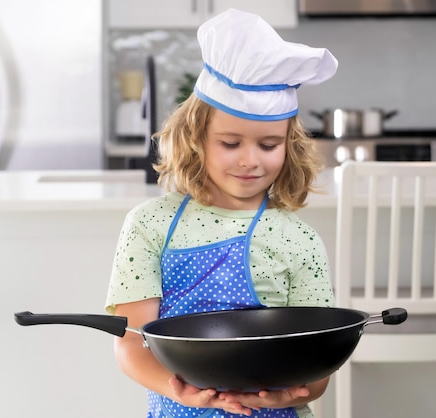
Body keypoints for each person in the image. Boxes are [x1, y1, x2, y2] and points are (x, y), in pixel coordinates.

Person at [105, 8, 338, 418]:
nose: (250, 160)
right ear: (195, 138)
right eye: (230, 143)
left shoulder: (299, 240)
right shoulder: (149, 226)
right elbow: (130, 343)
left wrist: (291, 396)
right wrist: (178, 390)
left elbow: (316, 368)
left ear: (289, 146)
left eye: (268, 145)